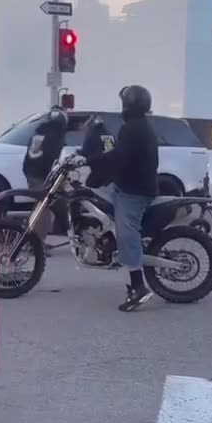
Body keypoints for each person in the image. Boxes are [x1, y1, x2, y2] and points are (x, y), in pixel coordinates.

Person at [88, 85, 158, 312]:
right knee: (93, 197)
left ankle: (139, 287)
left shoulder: (134, 128)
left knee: (126, 232)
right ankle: (104, 241)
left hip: (134, 190)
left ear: (129, 104)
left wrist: (93, 162)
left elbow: (120, 156)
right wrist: (90, 159)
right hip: (127, 185)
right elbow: (120, 154)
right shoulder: (137, 126)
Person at [23, 107, 68, 243]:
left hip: (31, 173)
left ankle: (30, 238)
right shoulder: (56, 135)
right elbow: (54, 157)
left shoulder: (38, 133)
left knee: (40, 206)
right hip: (43, 176)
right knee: (44, 211)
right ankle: (36, 242)